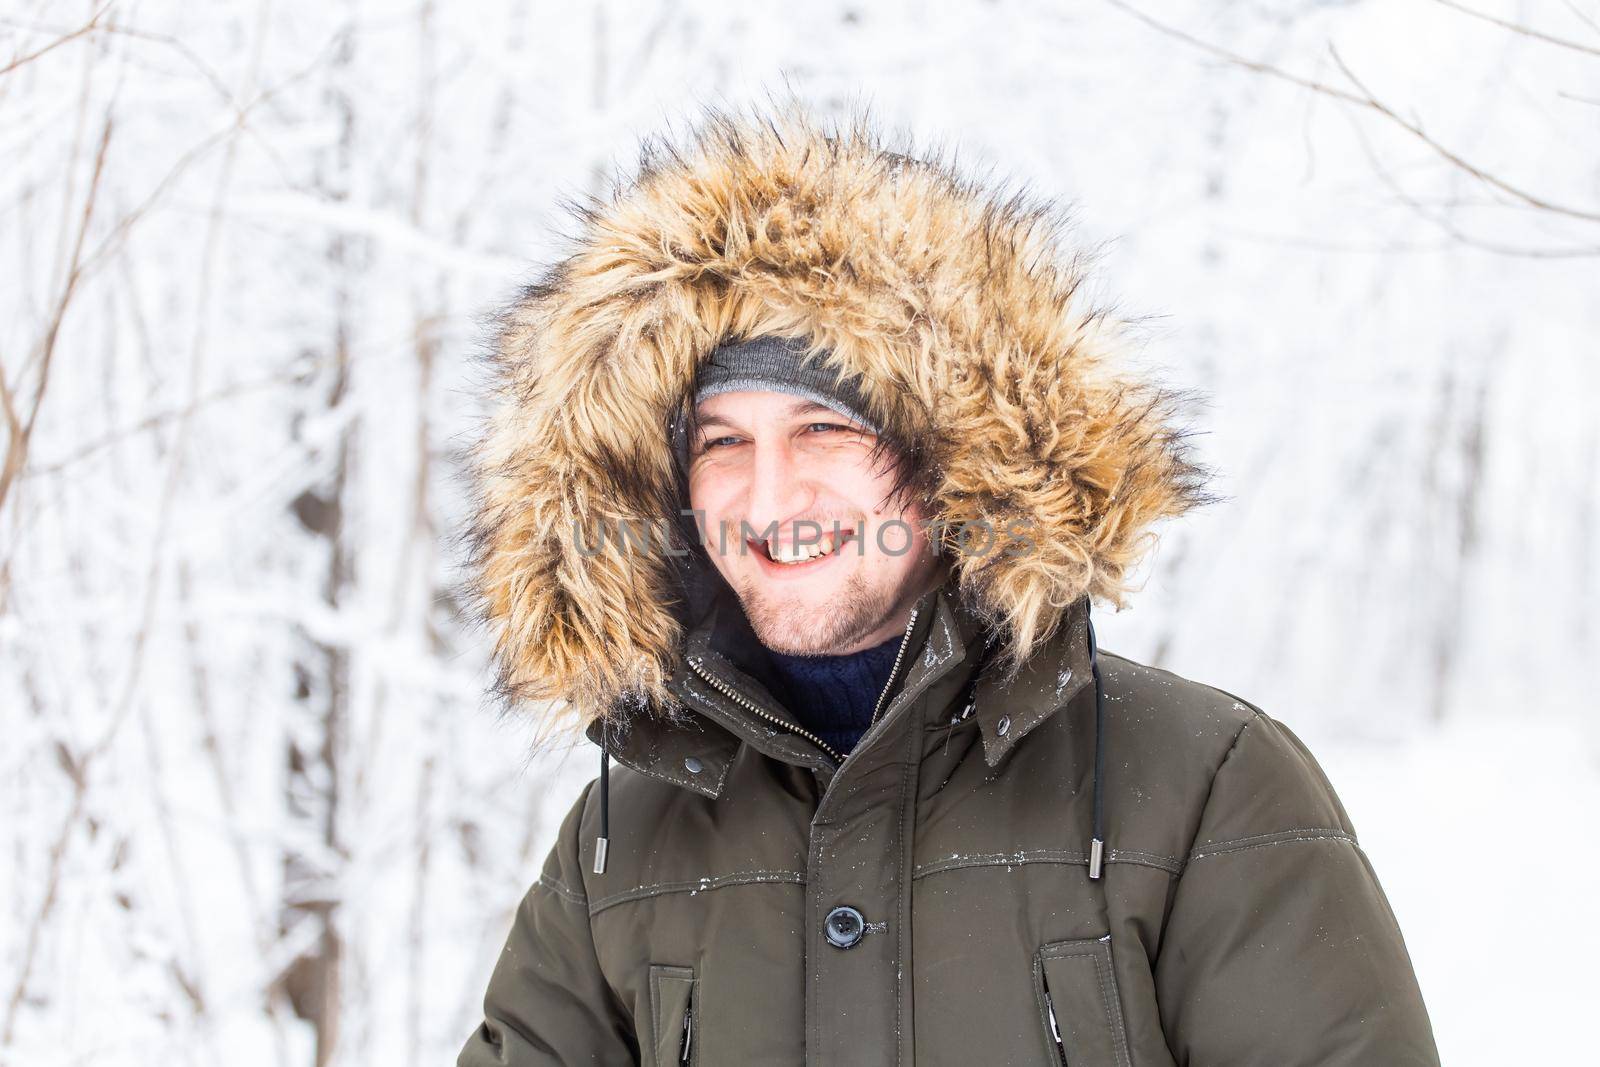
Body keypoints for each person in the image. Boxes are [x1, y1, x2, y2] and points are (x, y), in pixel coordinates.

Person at [457, 102, 1440, 1066]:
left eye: (824, 429)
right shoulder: (622, 839)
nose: (766, 493)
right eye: (722, 442)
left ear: (954, 461)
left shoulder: (1202, 786)